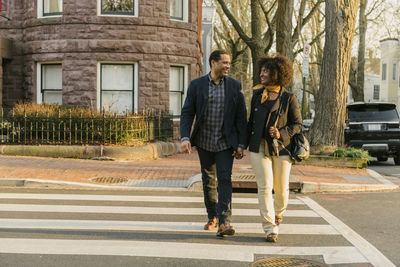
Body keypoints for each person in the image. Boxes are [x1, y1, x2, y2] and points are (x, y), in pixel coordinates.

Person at [180, 50, 247, 237]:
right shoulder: (197, 85)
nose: (227, 66)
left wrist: (241, 144)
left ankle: (224, 222)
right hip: (204, 142)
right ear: (213, 63)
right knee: (208, 180)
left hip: (226, 143)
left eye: (229, 63)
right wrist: (185, 137)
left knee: (225, 179)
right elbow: (187, 113)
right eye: (224, 62)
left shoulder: (235, 86)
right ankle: (212, 216)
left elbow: (242, 117)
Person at [246, 54, 302, 242]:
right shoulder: (257, 96)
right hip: (259, 147)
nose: (261, 74)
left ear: (277, 74)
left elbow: (297, 124)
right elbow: (250, 124)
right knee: (265, 186)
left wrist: (281, 133)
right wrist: (240, 145)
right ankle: (270, 228)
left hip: (281, 149)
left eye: (266, 71)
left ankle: (279, 211)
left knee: (281, 189)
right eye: (261, 70)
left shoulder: (288, 98)